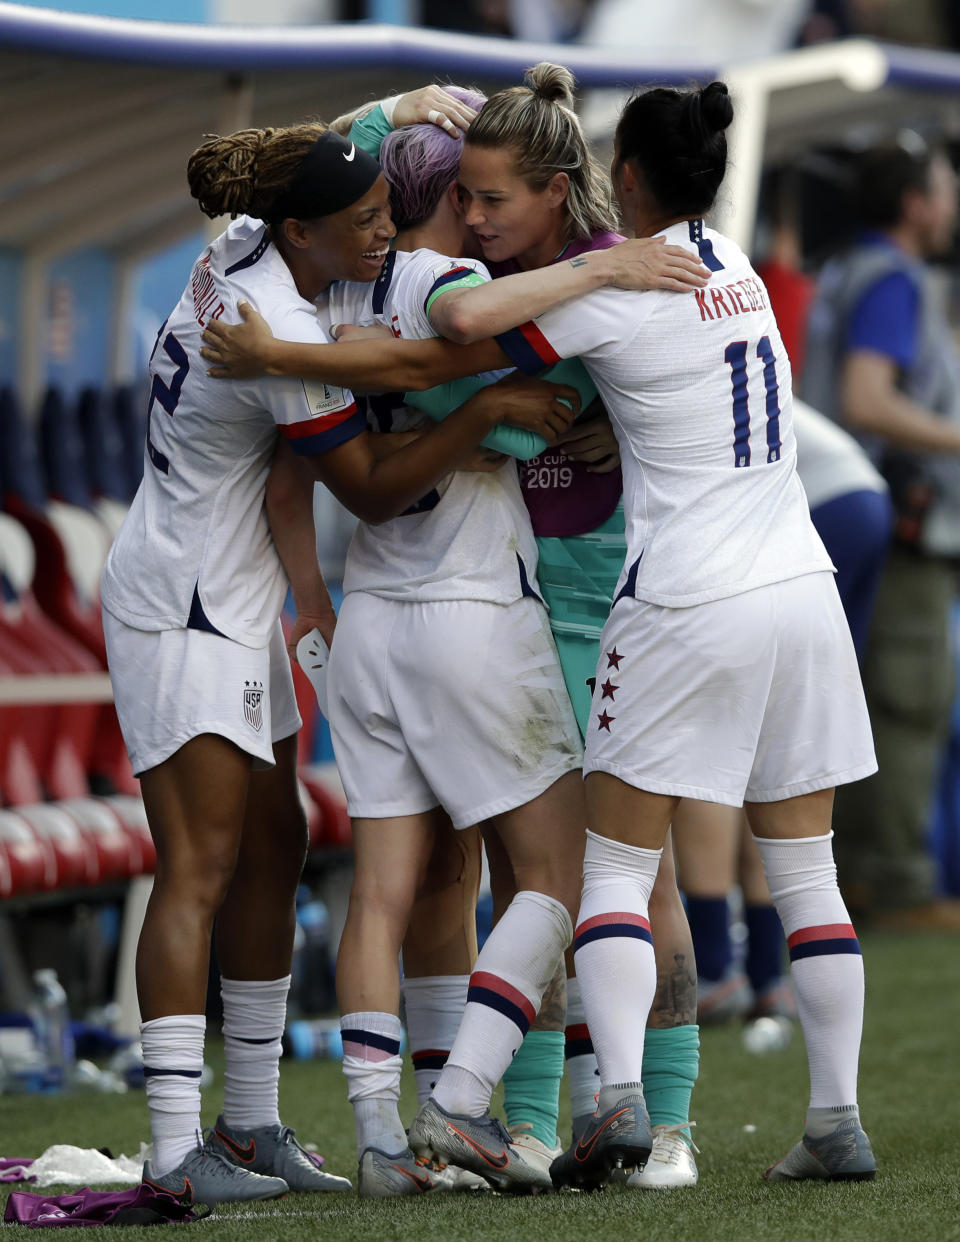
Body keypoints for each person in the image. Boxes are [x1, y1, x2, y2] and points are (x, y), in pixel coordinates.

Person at [203, 69, 710, 1191]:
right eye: (463, 196)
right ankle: (491, 1109)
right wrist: (519, 380)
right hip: (480, 617)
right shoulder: (456, 281)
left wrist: (382, 113)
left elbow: (289, 196)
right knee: (571, 875)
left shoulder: (310, 286)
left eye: (497, 198)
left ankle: (410, 1133)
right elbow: (456, 346)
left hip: (413, 616)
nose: (476, 218)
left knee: (425, 884)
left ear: (557, 189)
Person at [99, 115, 598, 1207]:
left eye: (386, 210)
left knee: (278, 849)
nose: (381, 232)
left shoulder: (248, 251)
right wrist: (494, 407)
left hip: (244, 603)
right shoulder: (271, 320)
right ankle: (175, 1149)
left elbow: (392, 339)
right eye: (361, 220)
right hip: (184, 606)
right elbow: (365, 482)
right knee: (196, 869)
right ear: (302, 230)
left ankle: (252, 1124)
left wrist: (416, 107)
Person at [487, 79, 878, 1187]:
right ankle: (835, 1121)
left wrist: (595, 262)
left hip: (685, 600)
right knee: (807, 871)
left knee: (614, 867)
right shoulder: (739, 265)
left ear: (633, 178)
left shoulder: (621, 291)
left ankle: (625, 1115)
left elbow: (465, 323)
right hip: (801, 586)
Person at [801, 137, 960, 930]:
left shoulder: (843, 266)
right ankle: (893, 879)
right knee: (904, 697)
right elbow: (868, 400)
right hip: (892, 517)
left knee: (857, 695)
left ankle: (860, 873)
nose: (953, 202)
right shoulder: (894, 277)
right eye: (946, 186)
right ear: (914, 203)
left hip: (841, 509)